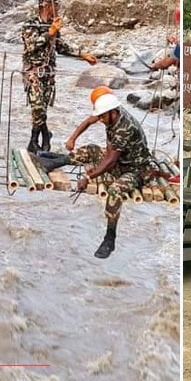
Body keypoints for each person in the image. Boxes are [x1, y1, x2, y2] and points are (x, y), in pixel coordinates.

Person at [68, 92, 155, 259]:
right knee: (91, 149)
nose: (100, 120)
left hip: (136, 170)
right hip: (120, 162)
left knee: (115, 191)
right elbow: (90, 121)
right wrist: (73, 138)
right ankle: (55, 161)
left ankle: (110, 238)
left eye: (102, 117)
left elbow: (110, 161)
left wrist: (89, 177)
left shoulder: (124, 128)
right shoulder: (113, 113)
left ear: (112, 113)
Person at [22, 0, 97, 153]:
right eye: (55, 6)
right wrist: (49, 33)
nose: (57, 10)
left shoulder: (52, 24)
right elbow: (30, 46)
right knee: (37, 108)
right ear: (46, 6)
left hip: (48, 75)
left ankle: (34, 141)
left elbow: (61, 47)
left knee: (42, 109)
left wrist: (82, 55)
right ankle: (43, 138)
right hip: (33, 72)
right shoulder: (31, 23)